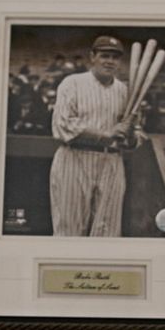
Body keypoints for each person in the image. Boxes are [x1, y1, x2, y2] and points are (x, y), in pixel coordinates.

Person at [49, 35, 140, 236]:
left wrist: (131, 132)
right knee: (69, 229)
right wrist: (107, 134)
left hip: (112, 161)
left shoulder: (125, 91)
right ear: (92, 57)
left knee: (107, 231)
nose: (110, 61)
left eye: (115, 57)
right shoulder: (72, 83)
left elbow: (134, 140)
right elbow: (62, 126)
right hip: (75, 158)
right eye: (104, 55)